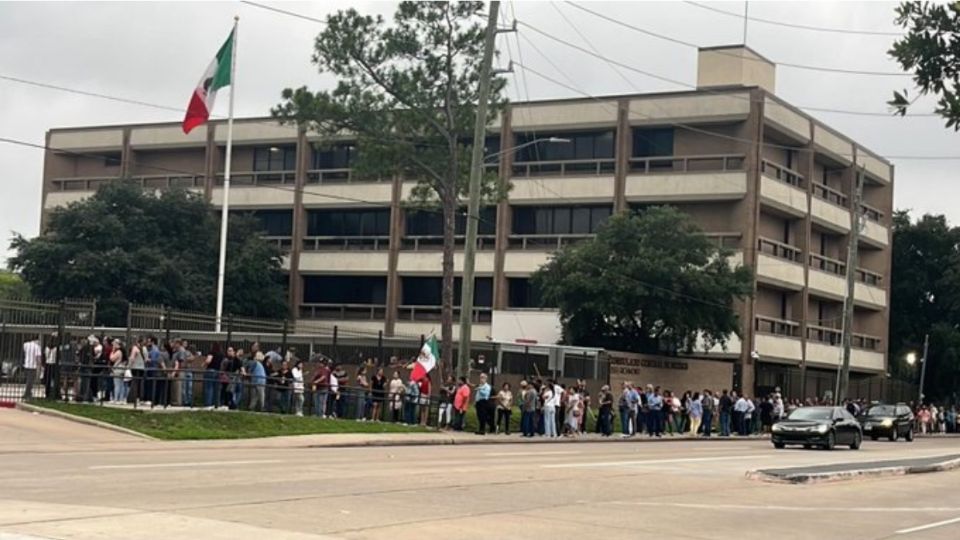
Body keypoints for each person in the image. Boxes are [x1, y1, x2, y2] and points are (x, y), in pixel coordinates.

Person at [203, 343, 223, 408]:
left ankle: (208, 404)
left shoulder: (211, 352)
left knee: (209, 388)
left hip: (210, 370)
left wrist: (203, 364)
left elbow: (208, 360)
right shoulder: (221, 354)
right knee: (216, 389)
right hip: (218, 371)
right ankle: (216, 404)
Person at [22, 335, 42, 400]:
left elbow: (24, 352)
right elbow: (38, 358)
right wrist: (39, 365)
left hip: (26, 364)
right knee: (30, 381)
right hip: (33, 366)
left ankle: (28, 393)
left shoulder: (26, 344)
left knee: (28, 380)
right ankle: (27, 394)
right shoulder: (37, 347)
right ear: (37, 340)